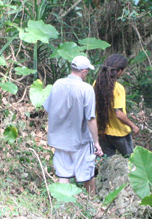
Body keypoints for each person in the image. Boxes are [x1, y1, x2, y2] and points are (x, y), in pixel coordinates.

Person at [43, 55, 104, 194]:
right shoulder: (86, 89)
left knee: (63, 174)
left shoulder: (58, 84)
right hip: (80, 140)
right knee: (87, 173)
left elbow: (48, 108)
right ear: (84, 71)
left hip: (59, 139)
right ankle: (91, 201)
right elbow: (91, 119)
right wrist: (96, 142)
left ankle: (63, 204)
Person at [93, 54, 140, 157]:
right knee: (130, 160)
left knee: (108, 161)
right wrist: (133, 125)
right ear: (119, 71)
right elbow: (118, 113)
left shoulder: (96, 84)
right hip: (120, 133)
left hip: (102, 131)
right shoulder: (118, 88)